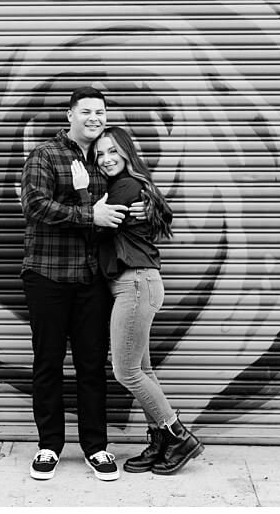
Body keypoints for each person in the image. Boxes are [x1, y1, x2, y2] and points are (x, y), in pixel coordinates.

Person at [18, 86, 131, 482]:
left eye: (100, 111)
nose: (95, 118)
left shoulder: (104, 158)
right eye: (86, 111)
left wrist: (144, 206)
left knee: (91, 366)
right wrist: (89, 216)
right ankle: (49, 446)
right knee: (47, 362)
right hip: (48, 275)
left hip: (92, 280)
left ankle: (96, 448)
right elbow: (34, 205)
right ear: (70, 115)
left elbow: (125, 198)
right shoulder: (46, 155)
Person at [85, 126, 205, 475]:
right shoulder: (129, 187)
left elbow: (91, 229)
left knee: (126, 371)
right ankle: (158, 441)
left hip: (135, 284)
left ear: (127, 154)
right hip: (137, 284)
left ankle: (177, 434)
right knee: (143, 369)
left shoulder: (124, 187)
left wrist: (82, 194)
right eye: (100, 154)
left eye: (113, 152)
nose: (107, 159)